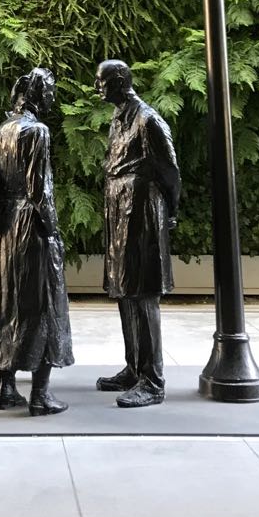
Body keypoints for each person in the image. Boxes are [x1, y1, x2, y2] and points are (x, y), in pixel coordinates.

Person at [0, 67, 74, 415]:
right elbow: (40, 190)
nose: (53, 98)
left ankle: (6, 389)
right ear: (38, 94)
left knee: (4, 302)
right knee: (42, 303)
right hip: (30, 226)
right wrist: (52, 232)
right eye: (51, 91)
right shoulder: (37, 132)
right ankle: (40, 395)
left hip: (2, 231)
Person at [94, 58, 181, 408]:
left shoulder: (148, 120)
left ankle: (153, 381)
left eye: (101, 82)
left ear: (119, 81)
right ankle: (134, 368)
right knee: (124, 290)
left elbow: (170, 172)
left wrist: (169, 213)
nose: (97, 88)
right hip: (120, 211)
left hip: (143, 213)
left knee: (143, 294)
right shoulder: (119, 118)